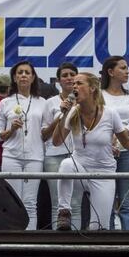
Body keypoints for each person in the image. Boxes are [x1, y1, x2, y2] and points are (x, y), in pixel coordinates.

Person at [52, 72, 129, 230]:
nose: (74, 87)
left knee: (98, 227)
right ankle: (64, 212)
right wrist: (64, 114)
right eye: (74, 84)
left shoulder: (110, 113)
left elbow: (126, 142)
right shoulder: (73, 111)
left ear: (92, 88)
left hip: (103, 174)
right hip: (79, 169)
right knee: (66, 164)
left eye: (79, 83)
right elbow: (57, 141)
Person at [0, 61, 47, 230]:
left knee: (30, 202)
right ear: (14, 78)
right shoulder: (5, 103)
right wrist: (11, 130)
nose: (23, 75)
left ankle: (30, 241)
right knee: (12, 200)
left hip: (35, 156)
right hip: (11, 156)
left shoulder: (42, 102)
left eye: (27, 72)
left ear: (33, 78)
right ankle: (13, 238)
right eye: (20, 73)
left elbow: (45, 132)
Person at [100, 56, 129, 230]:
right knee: (107, 202)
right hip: (105, 151)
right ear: (110, 72)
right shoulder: (99, 95)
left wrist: (121, 133)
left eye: (127, 68)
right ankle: (108, 244)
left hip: (128, 152)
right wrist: (111, 136)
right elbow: (97, 118)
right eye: (123, 68)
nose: (127, 71)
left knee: (126, 203)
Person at [41, 62, 83, 230]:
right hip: (53, 156)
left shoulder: (84, 100)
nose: (69, 78)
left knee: (76, 203)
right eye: (64, 75)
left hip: (78, 155)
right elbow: (44, 134)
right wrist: (61, 114)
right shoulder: (50, 102)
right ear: (58, 80)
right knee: (58, 203)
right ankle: (56, 242)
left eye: (72, 74)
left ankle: (77, 242)